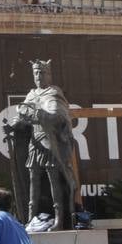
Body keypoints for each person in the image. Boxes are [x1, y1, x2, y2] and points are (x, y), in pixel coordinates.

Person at [14, 60, 79, 229]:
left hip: (51, 143)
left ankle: (59, 220)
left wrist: (35, 113)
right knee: (33, 180)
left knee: (54, 181)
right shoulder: (32, 94)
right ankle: (31, 219)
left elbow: (57, 116)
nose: (38, 76)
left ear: (49, 75)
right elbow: (22, 116)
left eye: (42, 73)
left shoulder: (54, 93)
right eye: (36, 73)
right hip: (35, 143)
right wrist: (16, 124)